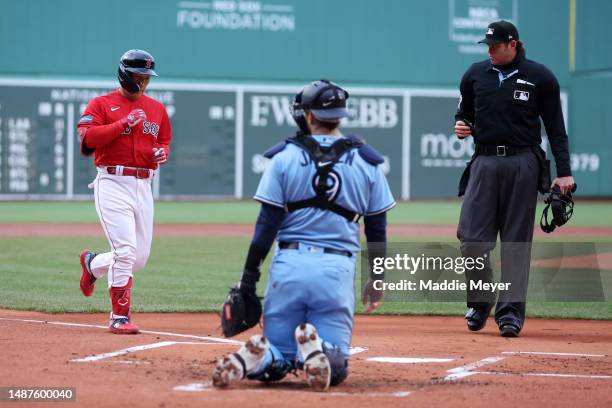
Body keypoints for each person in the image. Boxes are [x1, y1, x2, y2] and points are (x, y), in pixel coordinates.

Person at [211, 79, 395, 391]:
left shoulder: (284, 157)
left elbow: (265, 227)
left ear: (309, 116)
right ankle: (316, 351)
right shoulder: (367, 162)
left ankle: (258, 357)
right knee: (335, 369)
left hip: (289, 268)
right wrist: (376, 279)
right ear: (340, 116)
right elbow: (377, 230)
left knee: (279, 353)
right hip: (335, 272)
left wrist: (248, 278)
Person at [454, 21, 575, 337]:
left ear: (514, 44)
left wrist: (563, 172)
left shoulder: (540, 77)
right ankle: (481, 302)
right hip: (484, 161)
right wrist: (462, 125)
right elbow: (464, 113)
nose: (490, 50)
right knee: (472, 241)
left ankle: (510, 313)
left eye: (496, 45)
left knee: (515, 244)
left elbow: (556, 130)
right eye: (487, 45)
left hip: (523, 162)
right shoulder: (474, 75)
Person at [76, 49, 172, 334]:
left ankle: (93, 265)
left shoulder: (157, 109)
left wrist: (161, 153)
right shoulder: (102, 104)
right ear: (125, 75)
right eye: (139, 76)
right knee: (125, 251)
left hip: (143, 184)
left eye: (147, 77)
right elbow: (87, 139)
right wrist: (121, 125)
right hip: (113, 183)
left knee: (138, 258)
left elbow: (164, 141)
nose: (144, 82)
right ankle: (119, 316)